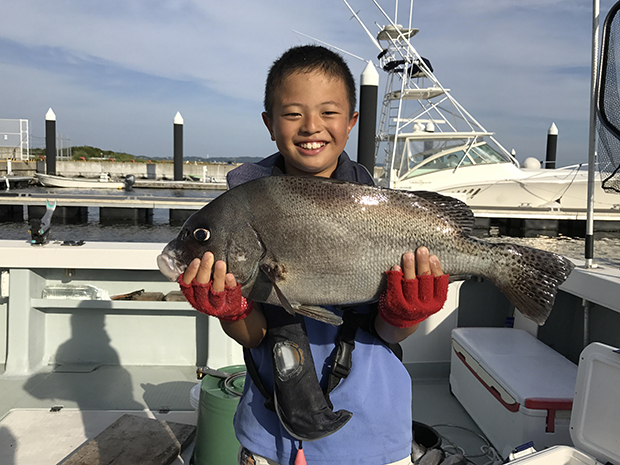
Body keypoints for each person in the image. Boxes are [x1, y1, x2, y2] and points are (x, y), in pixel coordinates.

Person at [180, 45, 448, 465]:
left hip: (375, 431)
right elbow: (256, 337)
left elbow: (389, 335)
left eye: (328, 112)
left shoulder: (378, 209)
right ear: (269, 124)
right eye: (292, 113)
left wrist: (407, 313)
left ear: (352, 122)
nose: (311, 127)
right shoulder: (244, 208)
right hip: (270, 435)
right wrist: (230, 310)